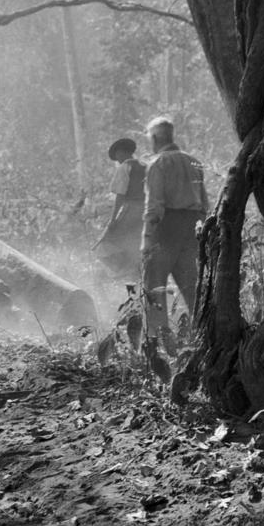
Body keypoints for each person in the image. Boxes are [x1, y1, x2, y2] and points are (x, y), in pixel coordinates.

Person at [141, 116, 209, 352]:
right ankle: (203, 340)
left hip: (166, 228)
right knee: (192, 288)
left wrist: (147, 241)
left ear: (156, 138)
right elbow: (204, 206)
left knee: (154, 287)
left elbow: (154, 207)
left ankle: (161, 345)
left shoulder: (158, 164)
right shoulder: (194, 162)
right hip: (192, 229)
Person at [94, 137, 146, 278]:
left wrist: (113, 220)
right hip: (148, 211)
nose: (116, 159)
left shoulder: (125, 167)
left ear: (122, 152)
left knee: (105, 243)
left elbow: (120, 195)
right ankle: (137, 270)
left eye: (116, 155)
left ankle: (126, 270)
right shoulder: (146, 166)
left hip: (132, 211)